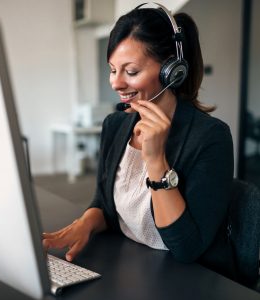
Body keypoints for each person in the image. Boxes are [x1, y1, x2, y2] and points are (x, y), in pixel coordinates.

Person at [43, 3, 235, 280]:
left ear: (172, 70)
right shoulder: (116, 124)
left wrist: (156, 160)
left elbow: (186, 248)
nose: (116, 83)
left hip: (186, 280)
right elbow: (105, 204)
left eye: (131, 72)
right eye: (112, 70)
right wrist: (85, 223)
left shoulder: (210, 138)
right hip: (130, 265)